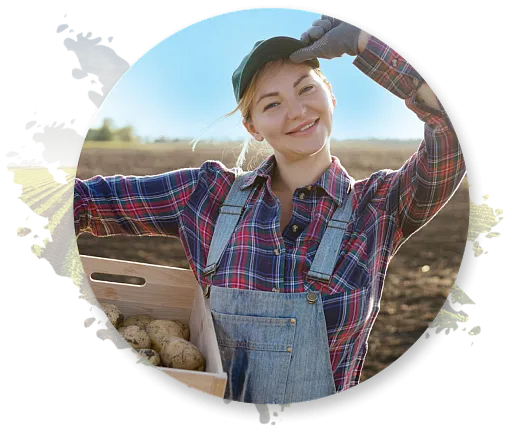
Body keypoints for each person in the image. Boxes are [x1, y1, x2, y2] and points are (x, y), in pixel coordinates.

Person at [74, 15, 467, 405]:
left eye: (306, 89)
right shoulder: (206, 194)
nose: (296, 111)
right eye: (272, 103)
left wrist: (368, 43)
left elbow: (450, 134)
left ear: (330, 95)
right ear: (253, 127)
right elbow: (84, 201)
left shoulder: (380, 206)